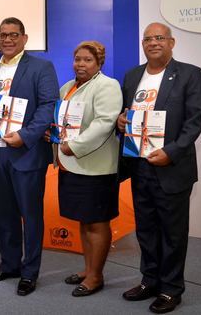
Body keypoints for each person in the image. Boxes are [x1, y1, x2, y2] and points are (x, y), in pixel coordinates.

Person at [118, 23, 201, 313]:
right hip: (139, 165)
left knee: (173, 232)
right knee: (146, 229)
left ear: (172, 42)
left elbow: (194, 122)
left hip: (171, 167)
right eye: (148, 39)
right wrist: (121, 122)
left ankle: (171, 289)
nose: (153, 43)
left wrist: (171, 152)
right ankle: (150, 280)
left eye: (159, 38)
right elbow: (126, 116)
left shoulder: (190, 74)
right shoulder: (132, 76)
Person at [0, 17, 59, 296]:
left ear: (24, 38)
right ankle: (9, 264)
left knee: (31, 215)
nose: (8, 40)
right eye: (3, 35)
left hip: (26, 153)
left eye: (14, 35)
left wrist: (25, 135)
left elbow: (49, 106)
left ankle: (29, 271)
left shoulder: (41, 67)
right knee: (3, 215)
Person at [53, 41, 122, 297]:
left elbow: (105, 123)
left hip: (96, 168)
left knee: (97, 223)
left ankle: (96, 276)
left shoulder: (107, 86)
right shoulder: (68, 88)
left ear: (99, 63)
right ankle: (88, 268)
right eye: (77, 59)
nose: (80, 64)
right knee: (84, 221)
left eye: (87, 60)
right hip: (70, 165)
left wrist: (75, 145)